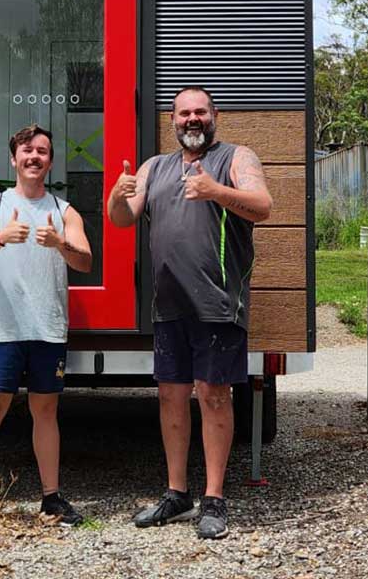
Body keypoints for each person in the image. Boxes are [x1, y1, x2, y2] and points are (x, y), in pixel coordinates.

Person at [106, 86, 272, 540]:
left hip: (218, 302)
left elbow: (264, 207)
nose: (192, 119)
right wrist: (118, 196)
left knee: (213, 395)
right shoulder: (153, 167)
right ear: (172, 120)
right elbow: (121, 218)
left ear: (214, 115)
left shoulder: (237, 157)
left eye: (200, 112)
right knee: (170, 396)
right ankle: (177, 493)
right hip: (169, 304)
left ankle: (214, 497)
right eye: (184, 113)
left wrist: (215, 190)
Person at [0, 123, 93, 536]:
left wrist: (61, 244)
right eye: (26, 151)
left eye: (42, 151)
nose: (34, 157)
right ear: (13, 158)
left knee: (46, 411)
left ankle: (51, 496)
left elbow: (86, 261)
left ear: (50, 161)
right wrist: (1, 237)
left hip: (48, 328)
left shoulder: (64, 211)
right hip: (4, 328)